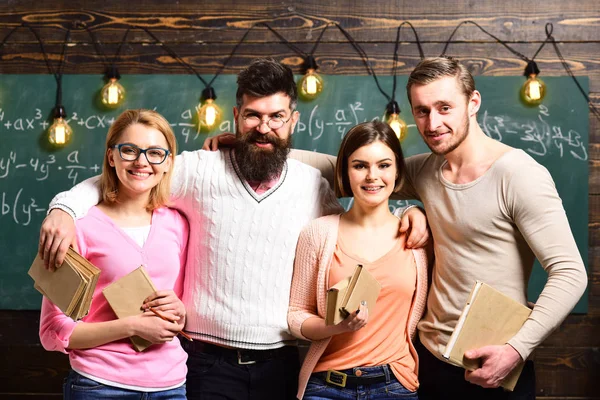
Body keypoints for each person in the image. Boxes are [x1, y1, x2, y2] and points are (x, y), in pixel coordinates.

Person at [38, 58, 429, 400]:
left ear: (293, 120)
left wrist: (410, 212)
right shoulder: (197, 170)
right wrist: (64, 209)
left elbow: (354, 222)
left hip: (280, 363)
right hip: (204, 362)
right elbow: (134, 173)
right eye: (253, 115)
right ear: (236, 116)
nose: (264, 127)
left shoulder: (312, 186)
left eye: (277, 117)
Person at [283, 57, 587, 399]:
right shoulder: (426, 171)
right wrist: (256, 144)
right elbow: (342, 168)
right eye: (422, 111)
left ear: (473, 103)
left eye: (445, 107)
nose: (433, 123)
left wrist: (516, 349)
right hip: (428, 362)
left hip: (494, 364)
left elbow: (570, 274)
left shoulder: (518, 175)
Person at [39, 109, 189, 399]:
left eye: (155, 153)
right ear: (111, 157)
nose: (142, 162)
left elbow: (182, 308)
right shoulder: (77, 228)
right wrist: (132, 326)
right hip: (100, 386)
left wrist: (181, 312)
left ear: (168, 163)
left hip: (171, 386)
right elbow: (52, 331)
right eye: (129, 150)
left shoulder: (178, 224)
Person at [287, 121, 430, 400]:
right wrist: (335, 327)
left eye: (384, 165)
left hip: (395, 385)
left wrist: (417, 210)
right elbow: (295, 314)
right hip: (327, 386)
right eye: (360, 165)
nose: (372, 176)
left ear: (398, 170)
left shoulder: (417, 239)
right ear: (346, 171)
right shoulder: (319, 233)